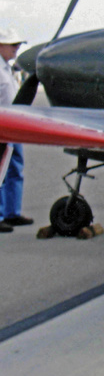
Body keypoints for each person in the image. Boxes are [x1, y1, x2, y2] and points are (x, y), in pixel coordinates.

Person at [0, 28, 33, 231]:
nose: (17, 48)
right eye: (13, 45)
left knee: (14, 169)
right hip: (2, 126)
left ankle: (12, 212)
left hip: (13, 125)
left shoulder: (7, 68)